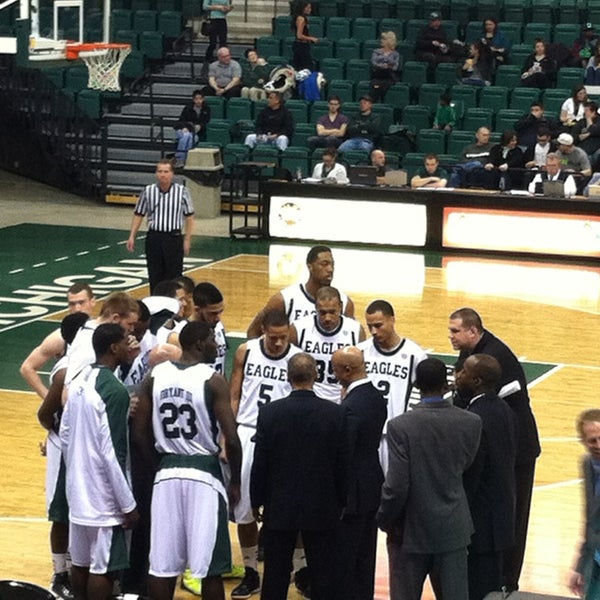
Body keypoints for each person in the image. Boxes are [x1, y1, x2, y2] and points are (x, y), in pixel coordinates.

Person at [132, 321, 242, 600]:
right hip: (204, 474)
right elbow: (232, 437)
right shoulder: (212, 379)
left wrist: (159, 465)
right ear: (198, 344)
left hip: (166, 474)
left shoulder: (155, 376)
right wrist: (236, 481)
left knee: (162, 565)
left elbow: (139, 433)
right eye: (212, 341)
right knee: (210, 567)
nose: (217, 347)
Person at [448, 307, 541, 592]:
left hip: (516, 451)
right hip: (494, 447)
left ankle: (506, 581)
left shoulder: (497, 357)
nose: (450, 336)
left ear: (473, 331)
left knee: (511, 516)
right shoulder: (470, 353)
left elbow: (505, 414)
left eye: (455, 331)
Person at [376, 357, 482, 600]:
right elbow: (466, 466)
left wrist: (384, 518)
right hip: (453, 528)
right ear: (446, 386)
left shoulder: (400, 426)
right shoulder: (471, 422)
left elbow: (397, 485)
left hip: (409, 531)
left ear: (416, 386)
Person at [250, 352, 348, 600]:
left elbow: (260, 462)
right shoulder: (335, 413)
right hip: (322, 505)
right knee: (323, 574)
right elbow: (342, 463)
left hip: (280, 505)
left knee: (275, 573)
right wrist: (342, 500)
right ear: (316, 375)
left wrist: (255, 500)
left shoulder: (270, 413)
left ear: (288, 376)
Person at [59, 323, 140, 600]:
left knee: (80, 563)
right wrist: (127, 504)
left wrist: (74, 478)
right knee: (103, 568)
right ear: (113, 348)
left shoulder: (79, 380)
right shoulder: (115, 391)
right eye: (125, 341)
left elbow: (66, 436)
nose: (131, 344)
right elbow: (112, 452)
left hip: (77, 489)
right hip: (103, 496)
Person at [229, 310, 301, 600]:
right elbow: (234, 395)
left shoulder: (297, 357)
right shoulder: (246, 351)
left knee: (289, 508)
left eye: (283, 337)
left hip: (283, 436)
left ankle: (298, 570)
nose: (279, 343)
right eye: (274, 337)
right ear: (262, 330)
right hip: (248, 430)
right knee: (244, 508)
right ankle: (250, 572)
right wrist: (228, 433)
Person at [37, 312, 91, 600]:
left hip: (79, 447)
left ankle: (74, 568)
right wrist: (56, 434)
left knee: (79, 510)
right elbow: (45, 414)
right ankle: (59, 574)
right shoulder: (65, 369)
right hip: (64, 448)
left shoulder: (85, 363)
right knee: (61, 512)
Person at [456, 354, 518, 600]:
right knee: (491, 587)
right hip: (500, 516)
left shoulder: (476, 417)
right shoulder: (504, 410)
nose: (459, 375)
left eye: (465, 372)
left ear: (477, 380)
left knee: (478, 589)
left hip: (481, 521)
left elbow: (474, 472)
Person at [331, 347, 386, 600]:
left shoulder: (351, 407)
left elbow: (344, 454)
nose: (333, 374)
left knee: (344, 562)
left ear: (347, 370)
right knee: (365, 558)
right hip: (372, 485)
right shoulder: (376, 397)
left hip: (352, 494)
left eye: (335, 368)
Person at [357, 300, 427, 471]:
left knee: (394, 487)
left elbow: (425, 396)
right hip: (366, 432)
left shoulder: (415, 355)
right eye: (370, 326)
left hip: (395, 435)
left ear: (392, 320)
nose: (374, 331)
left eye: (378, 325)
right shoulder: (360, 351)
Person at [246, 245, 355, 338]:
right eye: (324, 264)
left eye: (332, 265)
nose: (330, 269)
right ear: (310, 267)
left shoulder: (345, 303)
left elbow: (352, 336)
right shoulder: (285, 299)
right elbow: (254, 331)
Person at [126, 160, 195, 294]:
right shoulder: (148, 191)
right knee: (154, 274)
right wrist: (132, 236)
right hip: (154, 237)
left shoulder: (182, 192)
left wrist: (187, 239)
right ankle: (156, 306)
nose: (163, 175)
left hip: (173, 238)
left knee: (174, 276)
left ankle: (174, 306)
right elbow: (139, 214)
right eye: (160, 171)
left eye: (166, 171)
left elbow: (190, 217)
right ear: (156, 173)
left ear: (172, 174)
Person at [20, 282, 96, 399]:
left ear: (93, 301)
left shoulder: (103, 330)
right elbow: (27, 368)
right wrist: (49, 400)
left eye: (81, 302)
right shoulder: (60, 338)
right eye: (72, 304)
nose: (77, 308)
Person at [290, 286, 365, 403]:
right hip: (309, 399)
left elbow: (360, 370)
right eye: (322, 313)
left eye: (332, 312)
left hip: (341, 401)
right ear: (315, 308)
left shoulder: (355, 330)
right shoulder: (299, 328)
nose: (327, 318)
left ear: (340, 307)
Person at [568, 408, 600, 600]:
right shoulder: (587, 464)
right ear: (583, 441)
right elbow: (590, 521)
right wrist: (580, 566)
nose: (598, 444)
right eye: (592, 440)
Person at [174, 89, 211, 164]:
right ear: (193, 99)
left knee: (191, 138)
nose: (198, 101)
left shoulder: (206, 109)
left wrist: (200, 126)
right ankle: (181, 159)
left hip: (195, 132)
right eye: (196, 99)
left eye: (200, 99)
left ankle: (183, 159)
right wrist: (184, 127)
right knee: (186, 136)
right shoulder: (188, 108)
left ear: (203, 99)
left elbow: (206, 122)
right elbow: (180, 121)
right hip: (183, 130)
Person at [369, 31, 401, 103]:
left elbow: (395, 67)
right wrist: (384, 65)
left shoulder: (395, 54)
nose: (381, 41)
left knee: (383, 85)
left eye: (383, 39)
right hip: (378, 75)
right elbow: (373, 63)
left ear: (389, 41)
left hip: (389, 76)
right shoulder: (376, 51)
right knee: (375, 84)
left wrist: (385, 63)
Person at [203, 0, 233, 65]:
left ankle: (223, 59)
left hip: (222, 19)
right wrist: (218, 7)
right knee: (213, 42)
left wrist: (228, 9)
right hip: (213, 19)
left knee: (223, 41)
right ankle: (208, 58)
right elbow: (205, 6)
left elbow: (225, 10)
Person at [290, 0, 318, 71]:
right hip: (301, 46)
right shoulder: (301, 19)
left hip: (301, 46)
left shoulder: (302, 18)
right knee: (306, 67)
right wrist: (311, 38)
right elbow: (299, 35)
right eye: (307, 8)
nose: (309, 10)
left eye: (310, 8)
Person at [572, 100, 600, 168]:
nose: (584, 113)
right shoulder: (581, 122)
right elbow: (574, 137)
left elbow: (595, 131)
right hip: (581, 150)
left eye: (587, 110)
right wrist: (587, 135)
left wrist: (589, 120)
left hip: (595, 151)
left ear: (593, 112)